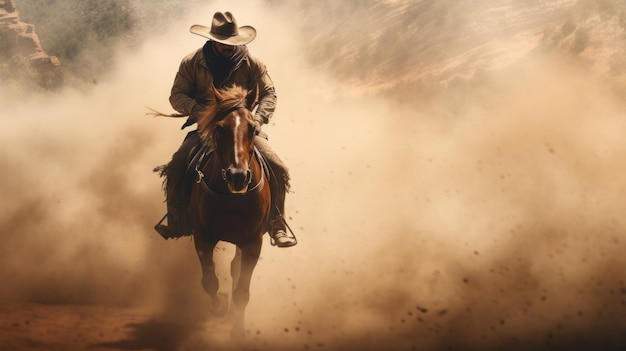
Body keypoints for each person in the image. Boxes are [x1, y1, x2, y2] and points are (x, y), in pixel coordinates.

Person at [155, 11, 296, 247]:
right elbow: (176, 95)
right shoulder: (192, 63)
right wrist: (202, 113)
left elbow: (270, 93)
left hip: (244, 131)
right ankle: (176, 219)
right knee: (177, 165)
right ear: (213, 40)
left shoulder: (253, 63)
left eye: (232, 41)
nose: (228, 46)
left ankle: (277, 224)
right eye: (223, 42)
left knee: (277, 167)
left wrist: (257, 121)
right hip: (207, 131)